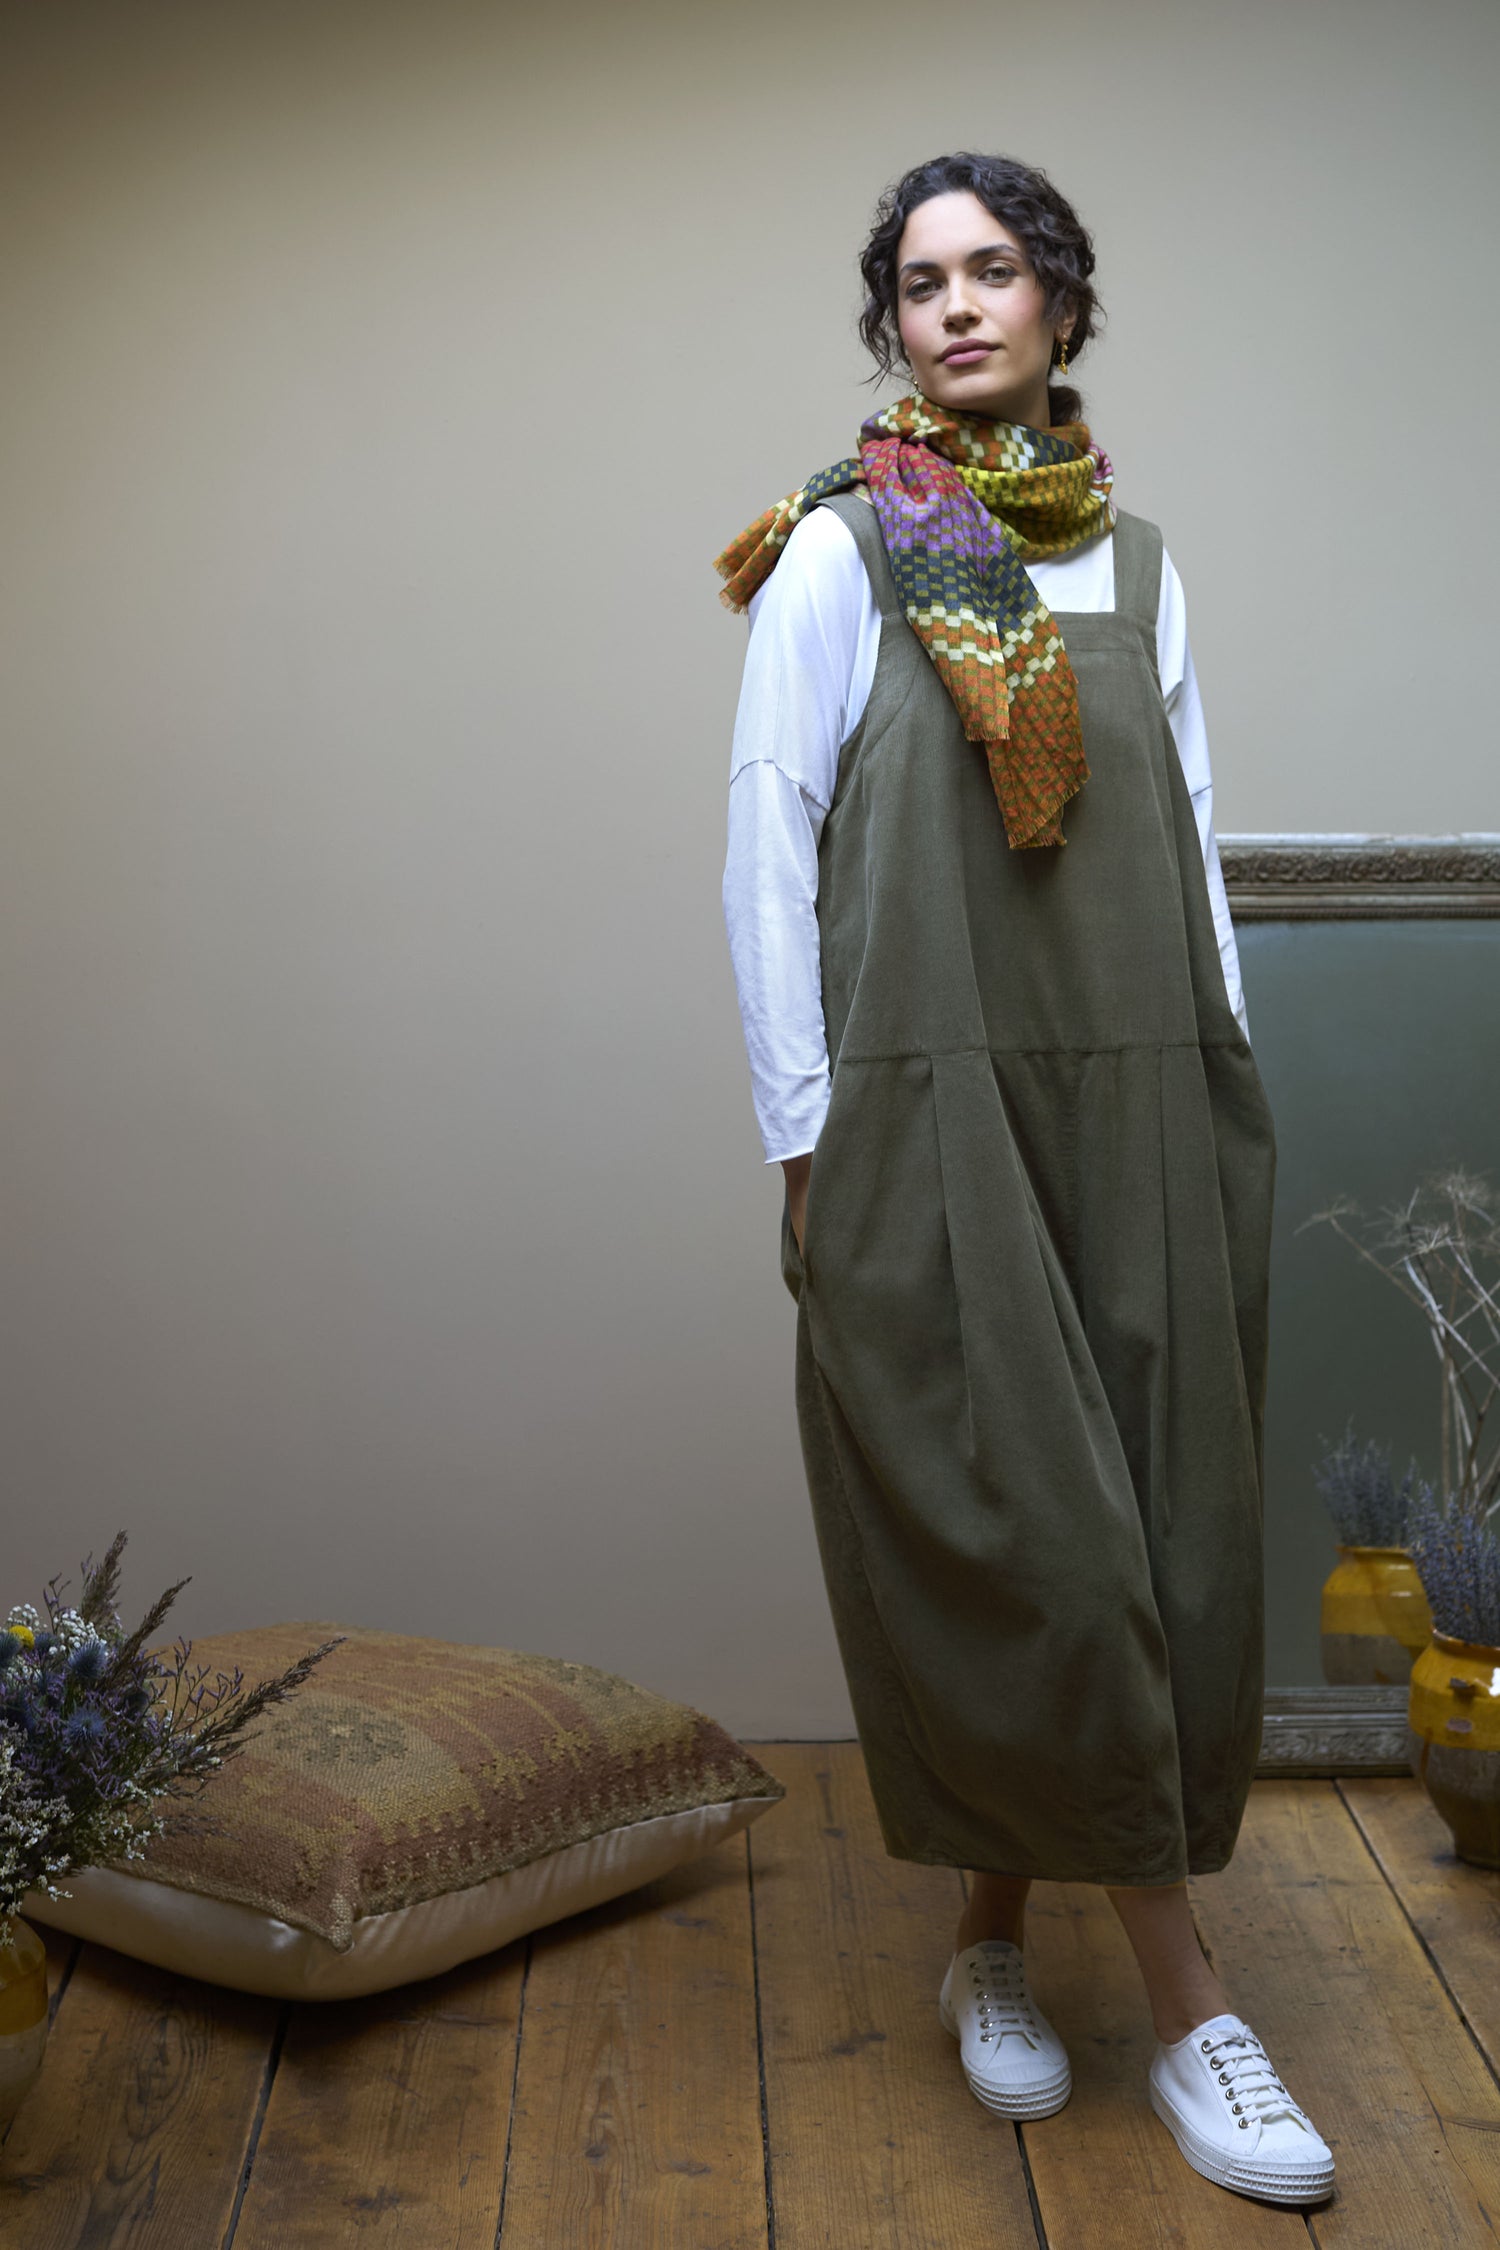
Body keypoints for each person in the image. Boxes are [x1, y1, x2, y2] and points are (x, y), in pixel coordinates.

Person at [715, 152, 1335, 2207]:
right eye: (920, 282)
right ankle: (1191, 2012)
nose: (958, 307)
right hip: (933, 1106)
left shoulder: (1141, 568)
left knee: (1155, 1543)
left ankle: (992, 1939)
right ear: (893, 328)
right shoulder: (843, 551)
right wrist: (802, 1133)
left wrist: (1226, 1085)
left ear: (1060, 308)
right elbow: (765, 839)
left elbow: (1205, 845)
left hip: (1150, 1101)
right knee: (1032, 1545)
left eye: (996, 272)